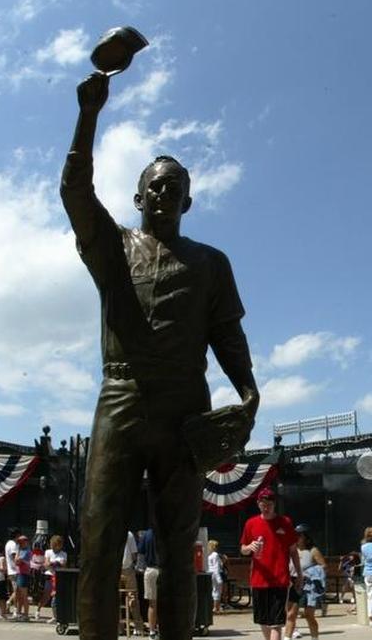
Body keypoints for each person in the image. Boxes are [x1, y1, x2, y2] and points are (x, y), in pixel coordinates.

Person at [63, 68, 259, 640]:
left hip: (185, 407)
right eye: (155, 183)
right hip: (120, 397)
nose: (164, 191)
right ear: (138, 194)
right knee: (99, 539)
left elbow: (228, 335)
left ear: (188, 201)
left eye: (175, 186)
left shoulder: (210, 263)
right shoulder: (112, 246)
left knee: (178, 548)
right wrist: (89, 114)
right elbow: (74, 191)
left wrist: (248, 391)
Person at [240, 488, 301, 640]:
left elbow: (293, 551)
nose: (266, 507)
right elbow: (243, 550)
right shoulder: (251, 523)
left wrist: (299, 574)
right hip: (259, 579)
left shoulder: (285, 522)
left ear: (274, 504)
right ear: (258, 504)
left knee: (276, 623)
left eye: (269, 504)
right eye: (263, 504)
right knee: (263, 621)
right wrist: (249, 547)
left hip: (280, 579)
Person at [292, 525, 326, 640]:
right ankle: (294, 631)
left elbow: (324, 566)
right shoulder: (292, 550)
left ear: (305, 537)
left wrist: (309, 573)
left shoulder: (313, 550)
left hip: (308, 587)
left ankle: (314, 637)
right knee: (291, 613)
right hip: (293, 584)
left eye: (299, 535)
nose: (296, 537)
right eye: (295, 535)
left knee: (309, 615)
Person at [137, 529, 159, 639]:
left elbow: (140, 554)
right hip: (165, 570)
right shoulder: (168, 531)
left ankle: (152, 632)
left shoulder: (147, 535)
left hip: (151, 570)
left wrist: (140, 568)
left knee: (152, 604)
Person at [42, 535, 66, 623]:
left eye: (56, 545)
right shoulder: (48, 552)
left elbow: (63, 565)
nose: (54, 547)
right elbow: (46, 564)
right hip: (49, 576)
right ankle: (39, 610)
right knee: (47, 595)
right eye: (53, 544)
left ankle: (56, 616)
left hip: (58, 577)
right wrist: (56, 564)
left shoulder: (63, 554)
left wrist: (52, 564)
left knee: (56, 598)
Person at [207, 540, 223, 615]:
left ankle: (214, 607)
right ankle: (216, 607)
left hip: (210, 573)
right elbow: (216, 566)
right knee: (217, 591)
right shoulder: (215, 554)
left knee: (213, 590)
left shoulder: (209, 555)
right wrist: (219, 578)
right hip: (216, 574)